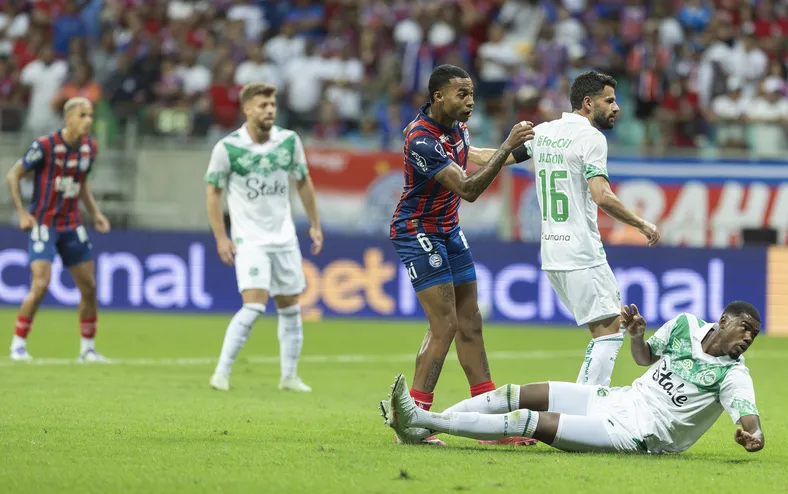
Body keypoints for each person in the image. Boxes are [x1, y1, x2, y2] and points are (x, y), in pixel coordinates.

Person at [381, 301, 764, 454]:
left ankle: (421, 420)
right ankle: (417, 429)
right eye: (745, 328)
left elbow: (751, 421)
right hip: (617, 399)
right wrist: (635, 337)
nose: (748, 338)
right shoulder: (684, 325)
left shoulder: (734, 377)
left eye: (754, 335)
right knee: (516, 393)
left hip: (635, 433)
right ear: (724, 321)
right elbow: (644, 358)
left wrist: (753, 437)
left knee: (526, 422)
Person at [390, 64, 535, 445]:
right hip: (417, 230)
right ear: (438, 96)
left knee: (471, 322)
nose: (470, 102)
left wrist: (530, 149)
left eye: (471, 94)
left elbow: (477, 157)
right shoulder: (421, 139)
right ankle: (413, 422)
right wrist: (507, 147)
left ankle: (491, 426)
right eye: (462, 94)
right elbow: (468, 189)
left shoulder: (455, 128)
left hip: (449, 230)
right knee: (446, 324)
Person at [522, 71, 660, 386]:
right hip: (581, 250)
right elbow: (601, 195)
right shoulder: (591, 137)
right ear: (588, 102)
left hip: (552, 251)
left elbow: (499, 158)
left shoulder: (544, 131)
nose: (617, 107)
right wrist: (641, 223)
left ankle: (583, 409)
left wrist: (457, 148)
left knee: (605, 328)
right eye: (609, 100)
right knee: (611, 328)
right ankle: (585, 411)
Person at [205, 82, 322, 392]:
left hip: (284, 238)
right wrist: (220, 236)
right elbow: (213, 193)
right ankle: (221, 372)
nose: (269, 110)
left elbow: (303, 181)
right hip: (249, 239)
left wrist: (314, 224)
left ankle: (289, 377)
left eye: (272, 104)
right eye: (262, 105)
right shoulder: (227, 148)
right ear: (247, 109)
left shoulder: (288, 141)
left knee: (290, 307)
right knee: (254, 306)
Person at [6, 96, 110, 362]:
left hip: (73, 224)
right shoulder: (45, 146)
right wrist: (22, 212)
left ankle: (87, 349)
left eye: (91, 115)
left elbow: (82, 183)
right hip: (44, 224)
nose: (89, 121)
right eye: (83, 115)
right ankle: (18, 346)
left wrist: (96, 214)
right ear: (69, 118)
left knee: (89, 287)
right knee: (40, 284)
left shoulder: (89, 148)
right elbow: (13, 174)